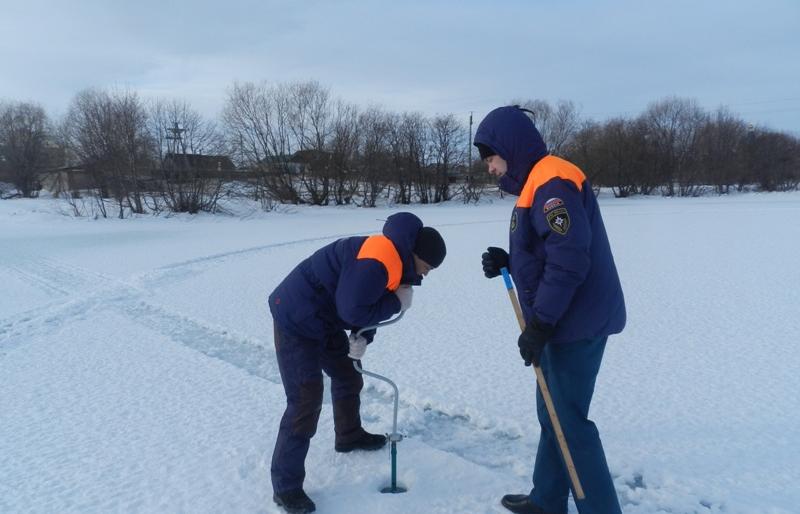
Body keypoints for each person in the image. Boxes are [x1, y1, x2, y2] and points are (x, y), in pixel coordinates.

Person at [475, 105, 626, 514]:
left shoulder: (552, 181)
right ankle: (546, 498)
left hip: (574, 322)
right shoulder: (536, 185)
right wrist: (510, 260)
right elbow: (549, 251)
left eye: (491, 157)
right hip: (562, 319)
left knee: (569, 422)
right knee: (552, 413)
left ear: (509, 147)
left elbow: (570, 259)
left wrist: (540, 322)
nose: (490, 168)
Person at [268, 212, 446, 514]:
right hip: (295, 318)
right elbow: (353, 308)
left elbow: (366, 299)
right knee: (305, 399)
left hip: (322, 318)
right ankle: (286, 487)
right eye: (427, 267)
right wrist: (395, 304)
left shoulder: (394, 257)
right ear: (415, 255)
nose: (426, 274)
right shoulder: (382, 258)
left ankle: (348, 436)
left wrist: (364, 337)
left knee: (348, 376)